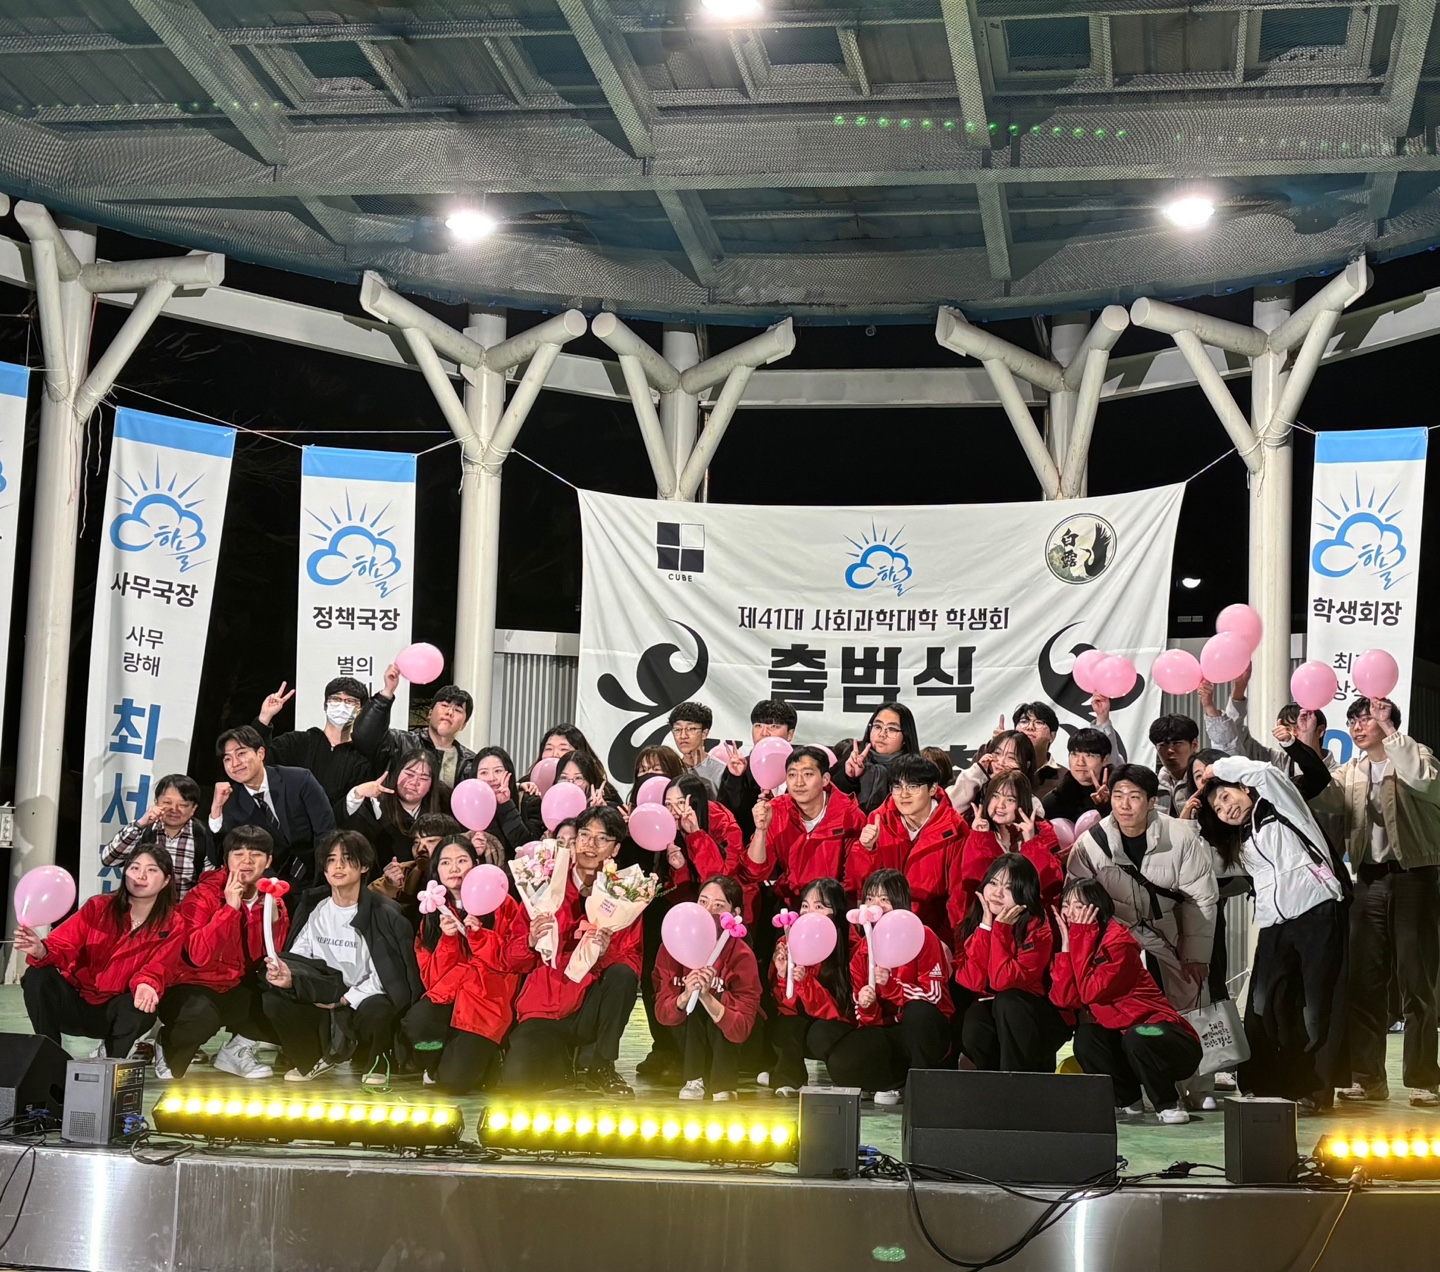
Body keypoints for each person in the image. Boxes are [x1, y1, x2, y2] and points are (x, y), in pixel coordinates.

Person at [1201, 735, 1349, 1109]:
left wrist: (1218, 768)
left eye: (1227, 796)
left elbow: (1266, 771)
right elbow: (1207, 867)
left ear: (1244, 788)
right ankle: (1263, 1086)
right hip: (1273, 923)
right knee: (1264, 1004)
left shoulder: (1281, 803)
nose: (1225, 808)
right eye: (1218, 807)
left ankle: (1314, 1091)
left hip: (1317, 911)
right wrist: (1190, 822)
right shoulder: (1241, 839)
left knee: (1315, 1006)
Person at [1312, 696, 1440, 1107]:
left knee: (1417, 981)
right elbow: (1323, 797)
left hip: (1415, 877)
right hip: (1367, 879)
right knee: (1364, 981)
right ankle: (1368, 1078)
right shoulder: (1352, 770)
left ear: (1387, 721)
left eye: (1365, 718)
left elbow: (1426, 783)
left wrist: (1390, 730)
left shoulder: (1416, 755)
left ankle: (1424, 1078)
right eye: (1352, 720)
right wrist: (1307, 746)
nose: (1357, 726)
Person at [501, 806, 643, 1097]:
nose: (590, 845)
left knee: (622, 975)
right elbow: (511, 959)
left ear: (615, 849)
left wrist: (605, 952)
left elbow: (631, 959)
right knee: (517, 1083)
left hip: (589, 1005)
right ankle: (561, 1062)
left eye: (602, 839)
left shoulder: (624, 896)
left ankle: (602, 1066)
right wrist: (530, 941)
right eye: (585, 835)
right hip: (545, 1006)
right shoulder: (543, 885)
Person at [262, 829, 421, 1085]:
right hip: (326, 990)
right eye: (331, 860)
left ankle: (378, 1060)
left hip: (364, 995)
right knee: (274, 999)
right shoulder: (316, 907)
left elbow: (388, 976)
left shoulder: (385, 913)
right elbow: (300, 955)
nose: (338, 866)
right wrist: (289, 975)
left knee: (379, 1010)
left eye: (347, 859)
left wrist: (346, 999)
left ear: (364, 866)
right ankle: (312, 1058)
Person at [1064, 764, 1217, 1014]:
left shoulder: (1180, 837)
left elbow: (1201, 898)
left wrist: (1196, 956)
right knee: (1113, 1000)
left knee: (1192, 990)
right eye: (1118, 796)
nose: (1124, 805)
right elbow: (1075, 897)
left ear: (1151, 802)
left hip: (1171, 925)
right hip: (1115, 929)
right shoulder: (1090, 843)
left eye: (1134, 797)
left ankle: (1192, 1037)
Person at [1052, 878, 1202, 1125]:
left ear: (1097, 909)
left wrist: (1079, 936)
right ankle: (1127, 1100)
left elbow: (1090, 993)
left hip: (1163, 1034)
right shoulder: (1080, 942)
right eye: (1065, 906)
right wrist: (1067, 948)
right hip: (1126, 1042)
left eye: (1078, 906)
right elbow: (1064, 998)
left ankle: (1167, 1102)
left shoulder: (1119, 943)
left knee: (1139, 1034)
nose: (1069, 913)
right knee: (1087, 1038)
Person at [19, 845, 182, 1059]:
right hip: (75, 1003)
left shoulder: (173, 923)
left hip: (115, 1011)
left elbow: (161, 966)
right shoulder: (98, 906)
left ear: (166, 880)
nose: (141, 876)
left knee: (141, 1006)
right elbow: (63, 942)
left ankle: (112, 1063)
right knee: (36, 976)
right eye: (134, 868)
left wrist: (147, 983)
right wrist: (41, 950)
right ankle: (49, 1056)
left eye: (151, 870)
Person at [400, 835, 527, 1093]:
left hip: (486, 1000)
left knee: (454, 1083)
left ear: (476, 864)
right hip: (448, 994)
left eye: (462, 860)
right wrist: (447, 941)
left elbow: (513, 960)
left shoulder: (503, 904)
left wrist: (479, 936)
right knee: (416, 1025)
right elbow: (431, 977)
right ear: (436, 870)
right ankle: (438, 1062)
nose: (454, 869)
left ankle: (482, 1059)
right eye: (445, 862)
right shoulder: (434, 910)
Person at [157, 826, 284, 1080]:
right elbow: (197, 955)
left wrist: (275, 921)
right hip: (195, 984)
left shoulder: (272, 897)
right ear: (226, 859)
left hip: (238, 984)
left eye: (256, 854)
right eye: (239, 854)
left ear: (268, 861)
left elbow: (272, 954)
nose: (247, 861)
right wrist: (230, 909)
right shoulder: (202, 895)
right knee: (199, 1021)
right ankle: (166, 1043)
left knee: (287, 1000)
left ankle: (236, 1050)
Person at [635, 773, 735, 1080]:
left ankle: (705, 1058)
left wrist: (695, 835)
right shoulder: (664, 834)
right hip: (674, 922)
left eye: (681, 802)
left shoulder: (722, 825)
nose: (675, 810)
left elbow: (718, 882)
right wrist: (676, 870)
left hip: (714, 927)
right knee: (658, 976)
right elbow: (674, 891)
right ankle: (667, 1047)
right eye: (668, 804)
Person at [832, 869, 952, 1105]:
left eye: (884, 899)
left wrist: (891, 987)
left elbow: (933, 996)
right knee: (841, 1063)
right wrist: (866, 1005)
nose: (875, 905)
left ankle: (921, 1088)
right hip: (891, 1029)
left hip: (925, 1031)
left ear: (900, 903)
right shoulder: (862, 952)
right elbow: (867, 1020)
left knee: (918, 1013)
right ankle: (894, 1082)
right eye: (870, 898)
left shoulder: (923, 936)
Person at [954, 854, 1069, 1072]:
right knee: (974, 1021)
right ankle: (993, 1082)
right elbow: (972, 981)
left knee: (1007, 1001)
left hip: (1036, 1016)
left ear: (1024, 892)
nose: (997, 893)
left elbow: (1003, 982)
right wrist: (985, 928)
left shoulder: (1038, 927)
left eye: (1008, 887)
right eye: (993, 883)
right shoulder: (975, 921)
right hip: (998, 1008)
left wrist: (1001, 930)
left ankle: (1015, 1081)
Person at [653, 875, 761, 1102]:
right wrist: (685, 995)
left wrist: (708, 996)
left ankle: (724, 1084)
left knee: (714, 997)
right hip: (687, 1039)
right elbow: (663, 1014)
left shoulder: (742, 955)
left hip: (733, 1042)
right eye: (703, 902)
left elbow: (741, 1028)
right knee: (694, 999)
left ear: (735, 914)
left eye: (719, 906)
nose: (708, 911)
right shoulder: (672, 946)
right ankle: (694, 1078)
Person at [845, 753, 967, 937]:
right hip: (883, 929)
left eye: (913, 786)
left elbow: (958, 897)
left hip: (932, 932)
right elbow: (860, 886)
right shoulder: (878, 820)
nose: (904, 794)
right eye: (897, 786)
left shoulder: (955, 827)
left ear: (933, 789)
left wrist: (950, 944)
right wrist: (866, 850)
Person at [740, 746, 865, 910]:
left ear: (825, 779)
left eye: (807, 774)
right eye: (792, 775)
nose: (799, 783)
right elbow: (754, 873)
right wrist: (760, 831)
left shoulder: (849, 815)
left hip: (833, 907)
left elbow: (855, 881)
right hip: (791, 905)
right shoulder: (777, 810)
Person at [209, 726, 335, 885]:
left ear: (260, 753)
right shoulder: (230, 802)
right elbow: (219, 856)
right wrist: (216, 810)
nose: (235, 763)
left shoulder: (300, 780)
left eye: (241, 754)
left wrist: (323, 876)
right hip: (269, 884)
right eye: (227, 759)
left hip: (319, 873)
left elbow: (326, 831)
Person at [767, 878, 856, 1098]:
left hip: (835, 1024)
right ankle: (788, 1078)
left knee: (820, 1034)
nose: (809, 913)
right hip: (803, 1017)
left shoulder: (849, 947)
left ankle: (848, 1075)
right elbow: (786, 1006)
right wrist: (783, 975)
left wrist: (806, 982)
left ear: (836, 912)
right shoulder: (787, 942)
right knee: (786, 1024)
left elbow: (835, 1011)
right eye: (805, 906)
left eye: (819, 906)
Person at [957, 772, 1063, 924]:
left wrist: (1031, 844)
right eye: (995, 796)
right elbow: (972, 885)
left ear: (1022, 803)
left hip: (1028, 924)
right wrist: (981, 839)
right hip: (985, 923)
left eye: (1010, 799)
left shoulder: (1042, 833)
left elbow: (1050, 886)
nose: (1000, 805)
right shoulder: (976, 834)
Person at [251, 676, 373, 806]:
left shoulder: (362, 756)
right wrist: (264, 718)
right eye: (336, 699)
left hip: (340, 818)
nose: (342, 706)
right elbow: (257, 760)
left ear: (361, 710)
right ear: (325, 705)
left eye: (350, 701)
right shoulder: (297, 742)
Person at [352, 662, 477, 789]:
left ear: (464, 725)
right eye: (444, 705)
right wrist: (387, 693)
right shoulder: (400, 742)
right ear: (429, 713)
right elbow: (365, 736)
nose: (449, 712)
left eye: (458, 710)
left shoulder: (471, 763)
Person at [100, 773, 217, 898]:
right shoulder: (141, 829)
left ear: (193, 809)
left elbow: (209, 884)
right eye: (167, 802)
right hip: (140, 905)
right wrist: (140, 825)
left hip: (183, 908)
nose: (174, 809)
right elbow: (108, 860)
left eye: (183, 805)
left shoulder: (202, 835)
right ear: (156, 802)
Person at [341, 748, 453, 865]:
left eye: (423, 778)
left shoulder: (444, 806)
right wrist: (358, 793)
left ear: (432, 785)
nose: (414, 782)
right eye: (409, 774)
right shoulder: (375, 805)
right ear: (397, 773)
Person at [716, 698, 798, 838]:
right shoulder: (739, 767)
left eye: (773, 726)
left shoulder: (801, 769)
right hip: (749, 845)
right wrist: (736, 779)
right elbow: (726, 816)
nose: (764, 733)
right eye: (758, 725)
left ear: (790, 734)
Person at [832, 702, 920, 813]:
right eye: (877, 727)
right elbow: (828, 799)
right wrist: (849, 778)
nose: (882, 734)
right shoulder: (854, 755)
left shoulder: (915, 768)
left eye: (892, 729)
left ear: (905, 737)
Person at [947, 730, 1043, 816]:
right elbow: (951, 809)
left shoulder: (1033, 804)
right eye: (997, 753)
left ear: (1026, 765)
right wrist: (978, 771)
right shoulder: (974, 787)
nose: (1001, 762)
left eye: (1011, 758)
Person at [524, 726, 622, 803]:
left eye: (563, 749)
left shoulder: (602, 790)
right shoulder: (527, 784)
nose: (554, 754)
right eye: (549, 749)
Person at [474, 745, 544, 854]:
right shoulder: (468, 805)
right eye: (484, 773)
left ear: (509, 772)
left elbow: (528, 847)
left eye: (498, 771)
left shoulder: (529, 801)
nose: (491, 778)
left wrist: (506, 805)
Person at [1042, 727, 1114, 825]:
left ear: (1105, 759)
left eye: (1089, 755)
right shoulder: (1054, 801)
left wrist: (1106, 807)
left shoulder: (1121, 795)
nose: (1080, 763)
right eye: (1074, 754)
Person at [1149, 714, 1201, 816]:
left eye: (1177, 743)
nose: (1170, 750)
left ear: (1194, 744)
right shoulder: (1151, 785)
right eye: (1162, 745)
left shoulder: (1204, 781)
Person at [1014, 702, 1065, 801]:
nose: (1030, 727)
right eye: (1024, 721)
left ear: (1052, 736)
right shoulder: (997, 765)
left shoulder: (1065, 779)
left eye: (1039, 722)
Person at [670, 701, 724, 792]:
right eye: (678, 730)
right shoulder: (671, 771)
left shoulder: (720, 771)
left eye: (690, 729)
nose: (683, 736)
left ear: (704, 733)